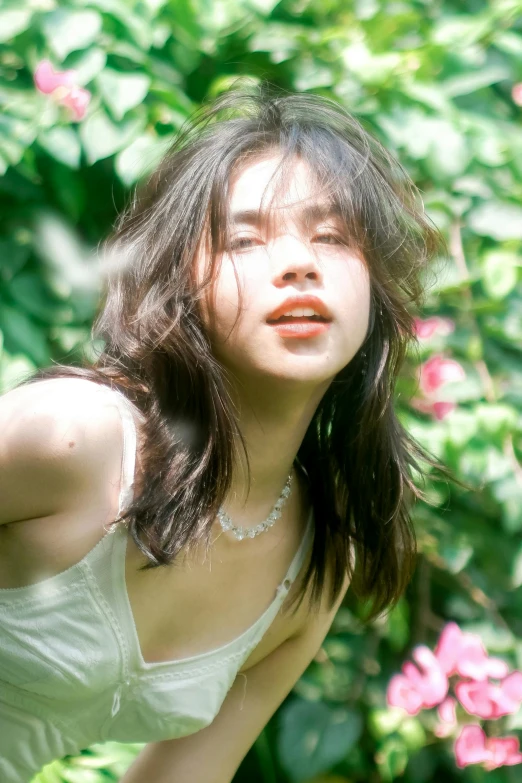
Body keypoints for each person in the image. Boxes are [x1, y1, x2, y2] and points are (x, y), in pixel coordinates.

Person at [0, 83, 463, 782]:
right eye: (245, 238)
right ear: (180, 286)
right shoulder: (76, 436)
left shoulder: (312, 566)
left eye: (332, 236)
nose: (299, 263)